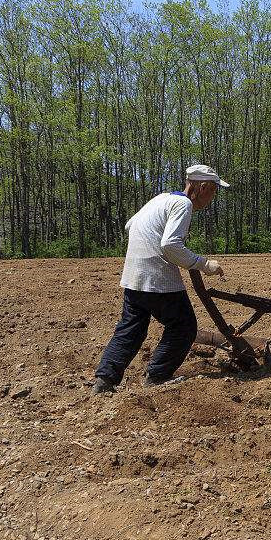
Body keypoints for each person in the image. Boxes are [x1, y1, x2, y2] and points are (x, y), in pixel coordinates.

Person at [92, 165, 230, 394]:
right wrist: (203, 264)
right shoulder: (183, 204)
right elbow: (170, 245)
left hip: (134, 276)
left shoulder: (161, 199)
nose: (212, 197)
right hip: (158, 278)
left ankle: (104, 380)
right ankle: (157, 376)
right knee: (184, 326)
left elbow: (130, 225)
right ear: (203, 186)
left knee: (131, 328)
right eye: (213, 191)